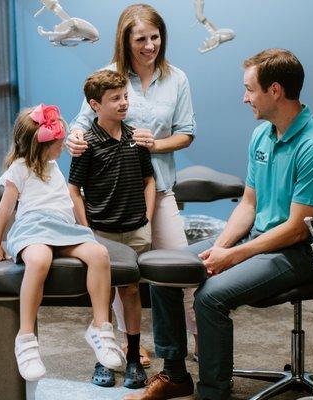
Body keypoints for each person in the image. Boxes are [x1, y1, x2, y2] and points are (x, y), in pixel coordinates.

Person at [124, 48, 313, 400]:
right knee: (166, 270)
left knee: (211, 297)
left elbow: (296, 228)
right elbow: (248, 203)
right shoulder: (263, 134)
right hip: (262, 238)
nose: (244, 98)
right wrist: (224, 245)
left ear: (275, 91)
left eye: (249, 89)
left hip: (304, 252)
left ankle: (213, 393)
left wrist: (234, 256)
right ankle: (175, 375)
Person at [66, 3, 198, 374]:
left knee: (183, 272)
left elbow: (186, 133)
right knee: (120, 275)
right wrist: (74, 139)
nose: (149, 46)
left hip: (159, 189)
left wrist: (155, 145)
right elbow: (81, 122)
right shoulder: (108, 76)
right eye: (141, 38)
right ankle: (128, 346)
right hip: (112, 199)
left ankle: (202, 340)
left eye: (155, 37)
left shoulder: (177, 79)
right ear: (126, 40)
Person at [0, 104, 125, 382]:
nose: (63, 147)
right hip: (33, 227)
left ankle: (100, 327)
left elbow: (68, 201)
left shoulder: (53, 166)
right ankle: (25, 339)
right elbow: (4, 210)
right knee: (38, 259)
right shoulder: (19, 170)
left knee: (99, 254)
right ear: (40, 146)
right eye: (59, 143)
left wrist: (84, 229)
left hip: (62, 228)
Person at [68, 69, 155, 389]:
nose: (123, 103)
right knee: (101, 297)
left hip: (135, 230)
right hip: (101, 233)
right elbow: (73, 188)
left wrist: (146, 215)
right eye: (115, 98)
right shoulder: (85, 144)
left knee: (131, 292)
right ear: (95, 105)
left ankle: (133, 358)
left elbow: (149, 179)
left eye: (125, 97)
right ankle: (103, 358)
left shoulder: (137, 137)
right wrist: (86, 229)